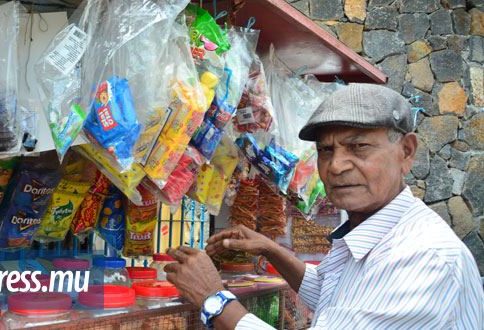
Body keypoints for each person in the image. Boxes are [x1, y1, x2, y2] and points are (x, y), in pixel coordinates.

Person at [164, 83, 484, 329]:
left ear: (406, 152)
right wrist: (271, 249)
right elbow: (329, 293)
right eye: (326, 150)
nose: (336, 166)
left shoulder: (419, 257)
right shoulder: (373, 232)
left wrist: (214, 299)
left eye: (358, 147)